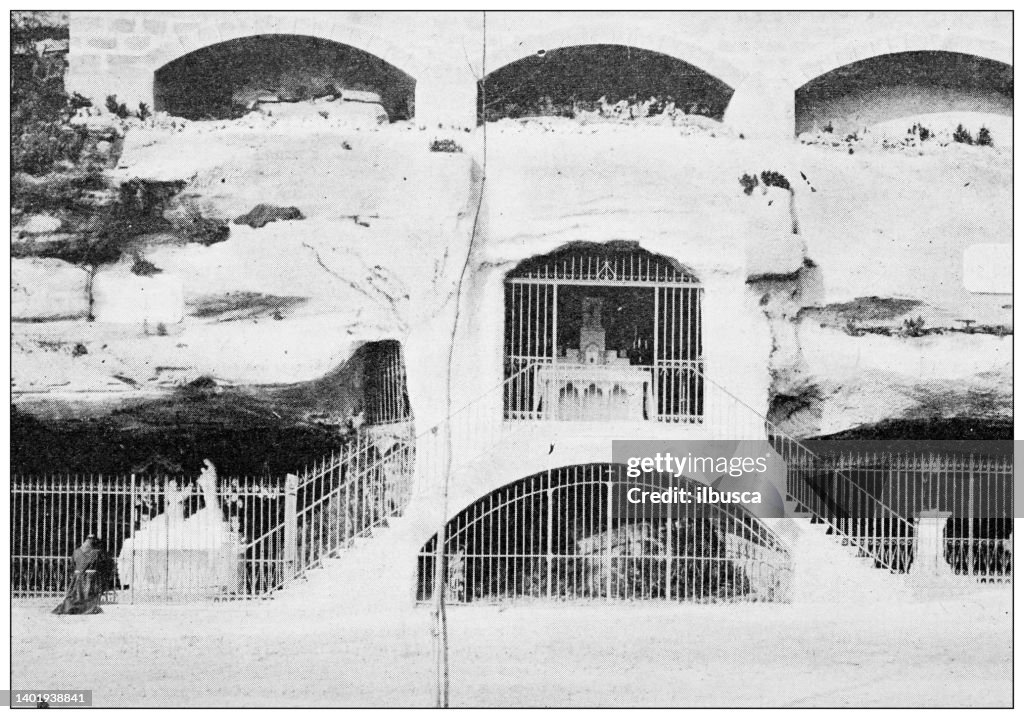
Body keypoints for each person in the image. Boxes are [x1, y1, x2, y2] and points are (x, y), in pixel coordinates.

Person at [52, 535, 108, 615]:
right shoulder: (96, 552)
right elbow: (101, 566)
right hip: (90, 578)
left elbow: (72, 565)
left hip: (77, 577)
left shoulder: (76, 551)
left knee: (74, 595)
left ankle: (71, 606)